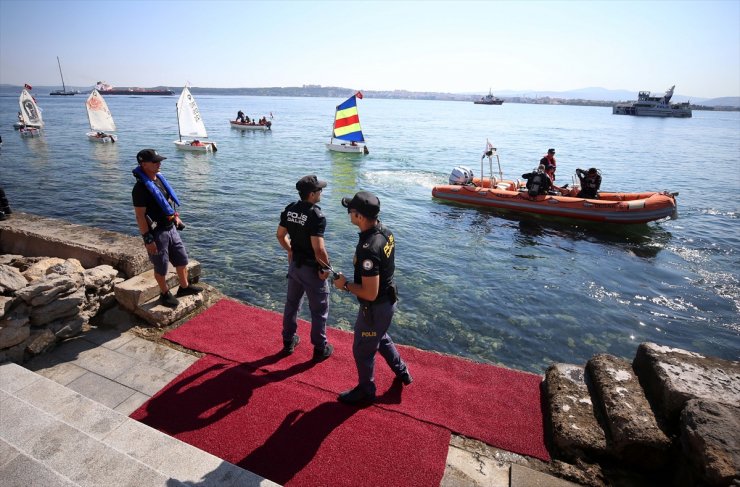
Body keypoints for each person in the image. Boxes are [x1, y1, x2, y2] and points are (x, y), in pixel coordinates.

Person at [333, 191, 412, 405]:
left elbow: (370, 292)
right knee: (380, 337)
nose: (348, 213)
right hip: (388, 303)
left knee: (362, 350)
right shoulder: (385, 232)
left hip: (375, 309)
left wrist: (345, 285)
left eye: (350, 210)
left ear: (359, 216)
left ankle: (366, 391)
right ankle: (402, 371)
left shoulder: (369, 248)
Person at [132, 149, 202, 307]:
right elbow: (140, 216)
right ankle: (164, 294)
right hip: (157, 232)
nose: (159, 164)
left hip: (171, 228)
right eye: (155, 161)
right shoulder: (140, 189)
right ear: (143, 164)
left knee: (182, 259)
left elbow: (166, 203)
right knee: (161, 265)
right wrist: (148, 238)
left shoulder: (159, 180)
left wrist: (176, 217)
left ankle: (184, 287)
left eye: (159, 161)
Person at [276, 175, 334, 361]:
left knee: (292, 305)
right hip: (311, 270)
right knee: (319, 310)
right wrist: (326, 268)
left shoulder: (290, 209)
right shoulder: (316, 216)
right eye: (319, 190)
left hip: (295, 266)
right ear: (311, 194)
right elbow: (319, 248)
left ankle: (288, 340)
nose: (321, 192)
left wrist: (290, 249)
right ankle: (319, 348)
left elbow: (280, 235)